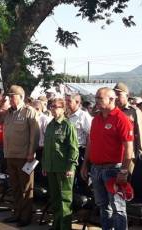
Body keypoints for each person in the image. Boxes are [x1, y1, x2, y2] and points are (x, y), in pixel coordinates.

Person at [81, 87, 134, 230]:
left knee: (118, 208)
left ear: (112, 99)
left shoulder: (121, 119)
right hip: (96, 169)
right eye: (96, 98)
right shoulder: (96, 119)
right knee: (103, 206)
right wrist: (85, 164)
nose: (96, 101)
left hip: (114, 170)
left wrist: (124, 171)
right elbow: (91, 143)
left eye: (100, 98)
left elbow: (129, 149)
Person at [0, 85, 39, 227]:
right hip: (10, 155)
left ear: (21, 97)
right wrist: (0, 104)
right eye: (9, 96)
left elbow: (35, 134)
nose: (10, 99)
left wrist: (31, 152)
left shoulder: (29, 111)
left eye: (13, 96)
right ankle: (17, 213)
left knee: (26, 188)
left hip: (24, 156)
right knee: (15, 187)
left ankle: (25, 217)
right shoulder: (8, 112)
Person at [42, 98, 79, 230]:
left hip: (64, 168)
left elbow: (74, 148)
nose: (53, 109)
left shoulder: (68, 125)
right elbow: (47, 148)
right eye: (51, 106)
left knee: (65, 200)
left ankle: (65, 227)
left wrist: (71, 167)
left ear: (63, 109)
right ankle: (56, 225)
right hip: (51, 167)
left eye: (56, 106)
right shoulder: (50, 125)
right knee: (55, 199)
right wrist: (45, 166)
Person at [65, 93, 92, 194]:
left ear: (77, 102)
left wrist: (86, 159)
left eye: (69, 101)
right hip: (67, 152)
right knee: (68, 181)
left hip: (79, 151)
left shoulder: (83, 116)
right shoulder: (66, 115)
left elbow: (90, 136)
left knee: (79, 181)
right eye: (66, 101)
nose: (66, 103)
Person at [114, 82, 142, 158]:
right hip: (114, 153)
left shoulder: (134, 111)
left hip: (129, 154)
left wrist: (140, 154)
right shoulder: (112, 110)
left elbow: (140, 134)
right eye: (115, 95)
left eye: (119, 94)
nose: (116, 97)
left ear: (127, 96)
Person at [31, 99, 52, 186]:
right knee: (33, 172)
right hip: (32, 149)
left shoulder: (45, 119)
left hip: (42, 149)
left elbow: (48, 137)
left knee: (42, 173)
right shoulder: (31, 119)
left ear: (37, 109)